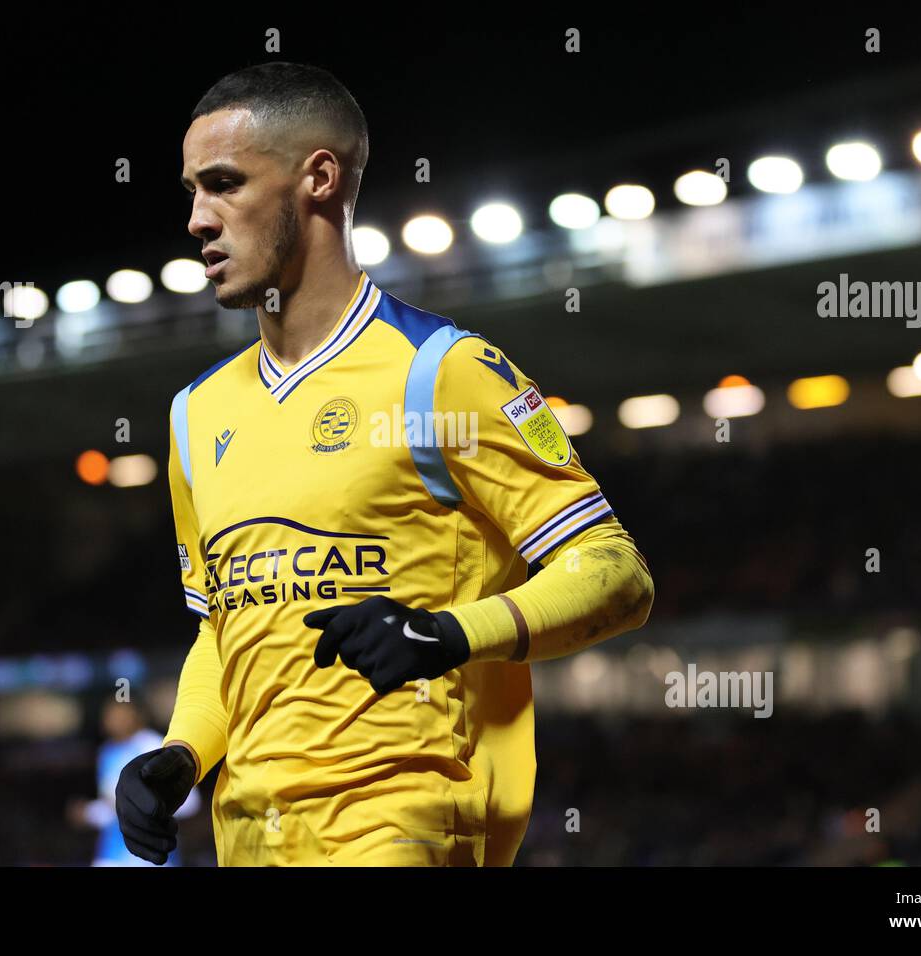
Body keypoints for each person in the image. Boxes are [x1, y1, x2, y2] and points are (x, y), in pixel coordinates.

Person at [117, 62, 654, 867]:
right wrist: (184, 751)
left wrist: (447, 633)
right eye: (191, 190)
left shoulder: (442, 371)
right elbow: (224, 628)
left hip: (405, 826)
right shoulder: (195, 416)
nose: (197, 219)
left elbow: (616, 572)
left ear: (319, 179)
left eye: (223, 184)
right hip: (247, 838)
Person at [72, 700, 200, 866]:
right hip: (112, 854)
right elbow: (114, 808)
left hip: (151, 856)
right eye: (110, 715)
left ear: (136, 714)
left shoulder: (153, 745)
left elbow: (191, 802)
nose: (114, 720)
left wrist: (151, 806)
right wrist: (89, 813)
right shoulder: (107, 753)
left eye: (120, 713)